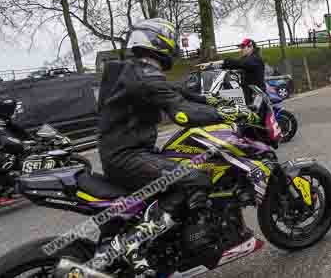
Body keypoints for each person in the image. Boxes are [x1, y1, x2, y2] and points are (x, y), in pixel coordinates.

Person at [96, 18, 260, 276]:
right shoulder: (144, 75)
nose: (173, 46)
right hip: (127, 157)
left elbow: (180, 94)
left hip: (126, 152)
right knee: (195, 178)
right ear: (157, 41)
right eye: (169, 39)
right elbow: (182, 112)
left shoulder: (136, 71)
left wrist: (217, 102)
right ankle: (132, 244)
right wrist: (228, 115)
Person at [199, 38, 266, 106]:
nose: (241, 49)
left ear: (251, 47)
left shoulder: (255, 59)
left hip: (256, 94)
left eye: (243, 47)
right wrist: (211, 66)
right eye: (241, 47)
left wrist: (218, 63)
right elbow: (231, 65)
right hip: (248, 91)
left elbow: (237, 63)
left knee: (252, 110)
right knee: (224, 96)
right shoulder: (246, 59)